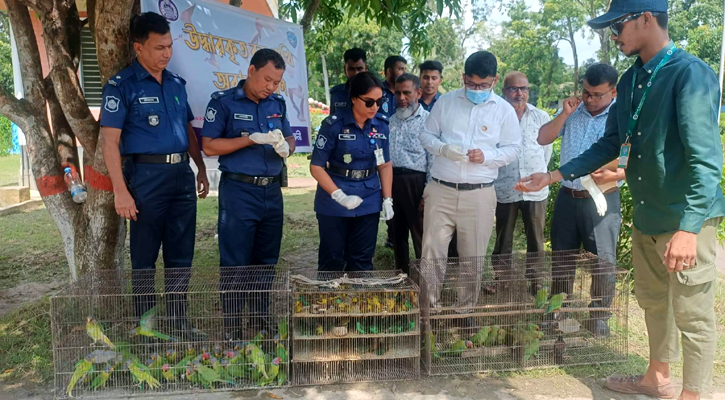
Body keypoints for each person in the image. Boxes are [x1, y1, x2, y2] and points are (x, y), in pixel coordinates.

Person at [517, 1, 725, 399]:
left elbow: (705, 159)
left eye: (618, 25)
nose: (612, 34)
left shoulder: (689, 74)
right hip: (648, 215)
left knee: (693, 314)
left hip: (684, 218)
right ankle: (657, 377)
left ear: (646, 19)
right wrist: (555, 174)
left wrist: (689, 227)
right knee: (652, 302)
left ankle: (693, 394)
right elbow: (613, 143)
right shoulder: (631, 81)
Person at [100, 12, 209, 339]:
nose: (166, 53)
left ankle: (178, 321)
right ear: (139, 48)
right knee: (144, 257)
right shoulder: (121, 86)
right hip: (145, 177)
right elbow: (109, 141)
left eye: (169, 46)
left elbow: (187, 130)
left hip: (181, 175)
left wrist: (200, 167)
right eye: (159, 47)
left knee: (181, 254)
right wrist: (121, 191)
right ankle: (145, 327)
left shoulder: (176, 84)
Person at [200, 49, 295, 340]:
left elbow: (290, 137)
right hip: (239, 191)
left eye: (277, 82)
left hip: (271, 191)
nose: (271, 87)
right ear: (251, 70)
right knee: (235, 261)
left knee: (266, 259)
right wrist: (248, 139)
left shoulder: (276, 104)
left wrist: (286, 148)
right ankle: (232, 326)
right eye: (267, 79)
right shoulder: (224, 102)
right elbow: (210, 146)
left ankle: (261, 317)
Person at [420, 51, 522, 311]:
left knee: (473, 257)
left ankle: (465, 309)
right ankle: (430, 307)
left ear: (494, 80)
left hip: (479, 193)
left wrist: (487, 156)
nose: (477, 89)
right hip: (441, 189)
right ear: (463, 77)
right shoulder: (446, 103)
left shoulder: (503, 110)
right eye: (472, 84)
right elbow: (426, 135)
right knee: (432, 254)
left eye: (484, 85)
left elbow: (513, 149)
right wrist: (443, 149)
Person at [538, 63, 623, 336]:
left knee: (603, 259)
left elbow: (628, 158)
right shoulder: (573, 111)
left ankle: (598, 315)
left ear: (613, 92)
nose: (590, 99)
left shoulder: (621, 118)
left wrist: (612, 172)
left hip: (602, 199)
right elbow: (543, 137)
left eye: (598, 95)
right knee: (562, 256)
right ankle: (557, 310)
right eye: (586, 92)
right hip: (567, 196)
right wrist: (564, 114)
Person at [310, 72, 394, 271]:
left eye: (379, 101)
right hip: (335, 196)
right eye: (369, 102)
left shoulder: (381, 125)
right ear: (354, 98)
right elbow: (316, 166)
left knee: (363, 258)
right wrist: (339, 196)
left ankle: (359, 299)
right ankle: (328, 301)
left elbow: (384, 164)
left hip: (369, 196)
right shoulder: (333, 125)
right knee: (332, 257)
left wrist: (387, 199)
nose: (375, 107)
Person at [492, 71, 552, 291]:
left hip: (535, 187)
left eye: (523, 88)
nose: (519, 93)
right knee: (503, 235)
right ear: (504, 91)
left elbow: (547, 151)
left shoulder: (540, 116)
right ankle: (501, 278)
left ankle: (535, 279)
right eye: (514, 88)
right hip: (505, 186)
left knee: (536, 236)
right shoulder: (496, 116)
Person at [389, 73, 433, 274]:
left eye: (406, 92)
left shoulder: (429, 122)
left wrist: (427, 192)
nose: (401, 98)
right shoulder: (390, 121)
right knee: (397, 234)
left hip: (417, 182)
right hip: (392, 181)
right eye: (397, 93)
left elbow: (433, 159)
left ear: (418, 93)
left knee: (420, 235)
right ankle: (402, 279)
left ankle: (425, 283)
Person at [329, 48, 368, 115]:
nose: (356, 73)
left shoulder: (375, 93)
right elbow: (332, 120)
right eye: (351, 69)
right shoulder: (336, 94)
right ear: (345, 70)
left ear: (366, 68)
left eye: (359, 69)